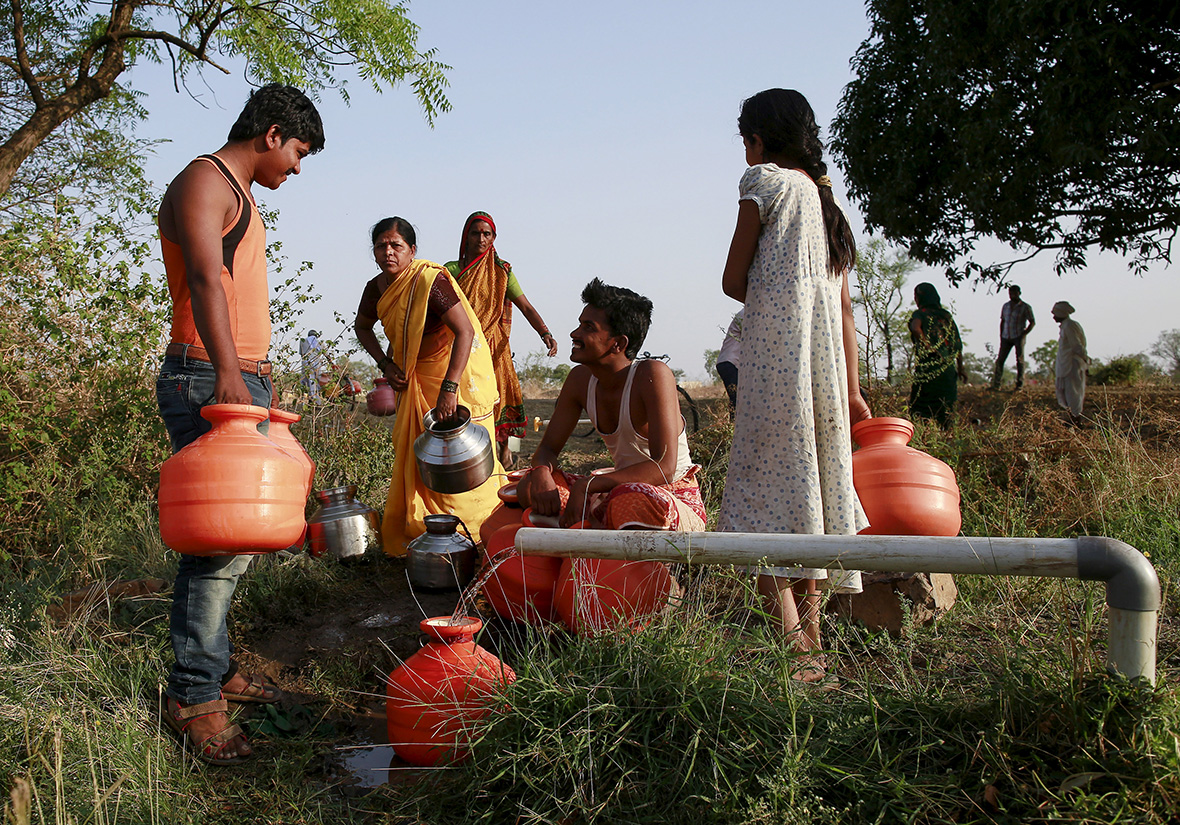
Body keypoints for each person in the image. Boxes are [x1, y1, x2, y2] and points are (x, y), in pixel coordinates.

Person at [154, 84, 323, 764]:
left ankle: (215, 670)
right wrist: (229, 372)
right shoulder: (204, 179)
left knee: (237, 537)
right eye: (300, 153)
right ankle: (194, 697)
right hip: (207, 374)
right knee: (216, 546)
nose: (298, 169)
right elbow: (201, 275)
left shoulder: (237, 191)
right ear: (273, 133)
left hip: (233, 374)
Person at [718, 88, 869, 679]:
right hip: (825, 376)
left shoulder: (766, 183)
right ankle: (813, 641)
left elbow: (734, 279)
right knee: (808, 498)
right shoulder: (830, 210)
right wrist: (854, 392)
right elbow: (846, 313)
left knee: (762, 504)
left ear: (757, 141)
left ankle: (794, 648)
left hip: (776, 369)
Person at [354, 217, 504, 555]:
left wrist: (449, 389)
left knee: (458, 459)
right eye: (381, 246)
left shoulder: (429, 280)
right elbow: (362, 327)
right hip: (413, 381)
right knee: (420, 458)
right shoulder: (376, 288)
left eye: (396, 246)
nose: (388, 252)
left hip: (453, 377)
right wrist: (385, 363)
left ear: (412, 250)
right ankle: (427, 531)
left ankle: (477, 532)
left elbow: (464, 331)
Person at [517, 278, 706, 534]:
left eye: (588, 327)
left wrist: (589, 485)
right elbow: (548, 449)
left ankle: (591, 532)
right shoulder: (579, 380)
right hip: (614, 490)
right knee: (529, 486)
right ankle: (589, 530)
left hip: (669, 498)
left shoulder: (652, 374)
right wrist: (540, 471)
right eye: (579, 324)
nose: (575, 334)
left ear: (618, 343)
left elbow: (664, 468)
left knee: (629, 500)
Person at [445, 212, 558, 468]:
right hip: (463, 347)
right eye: (476, 233)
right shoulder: (451, 270)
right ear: (466, 237)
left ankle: (507, 454)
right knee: (467, 400)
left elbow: (525, 306)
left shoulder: (502, 271)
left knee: (502, 397)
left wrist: (545, 333)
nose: (481, 239)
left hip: (494, 348)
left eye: (487, 234)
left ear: (494, 237)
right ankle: (473, 455)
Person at [908, 283, 967, 428]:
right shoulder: (946, 316)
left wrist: (928, 347)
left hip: (928, 369)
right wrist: (960, 368)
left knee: (920, 408)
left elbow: (915, 328)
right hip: (947, 369)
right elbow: (957, 345)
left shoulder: (920, 314)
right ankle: (946, 437)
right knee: (946, 409)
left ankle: (923, 437)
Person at [991, 285, 1036, 390]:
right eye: (1010, 293)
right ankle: (996, 384)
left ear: (1019, 293)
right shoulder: (1005, 306)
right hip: (1006, 336)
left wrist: (1025, 333)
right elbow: (1003, 321)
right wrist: (1001, 334)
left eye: (1014, 293)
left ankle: (1019, 385)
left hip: (1018, 336)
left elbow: (1032, 322)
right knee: (1000, 360)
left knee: (1019, 360)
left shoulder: (1025, 307)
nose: (1012, 295)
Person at [1052, 301, 1089, 421]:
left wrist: (1085, 360)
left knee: (1073, 392)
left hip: (1072, 364)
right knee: (1067, 393)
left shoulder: (1069, 326)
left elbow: (1077, 346)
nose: (1054, 316)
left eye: (1055, 314)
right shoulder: (1065, 326)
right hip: (1066, 364)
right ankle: (1071, 418)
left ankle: (1076, 419)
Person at [715, 309, 744, 417]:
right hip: (730, 363)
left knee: (737, 399)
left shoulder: (747, 312)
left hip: (729, 363)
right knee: (737, 400)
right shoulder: (747, 313)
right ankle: (734, 427)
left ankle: (733, 426)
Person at [298, 329, 327, 401]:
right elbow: (326, 354)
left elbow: (302, 354)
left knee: (306, 382)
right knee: (316, 381)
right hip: (317, 365)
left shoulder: (302, 341)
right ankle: (315, 399)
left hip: (306, 364)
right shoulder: (320, 343)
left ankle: (310, 399)